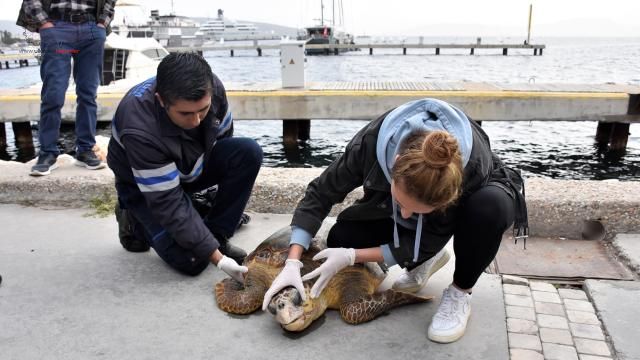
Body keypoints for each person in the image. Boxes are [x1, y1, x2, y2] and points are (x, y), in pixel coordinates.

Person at [262, 98, 527, 343]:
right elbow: (320, 192)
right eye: (402, 205)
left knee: (488, 210)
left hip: (477, 197)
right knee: (343, 238)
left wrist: (352, 258)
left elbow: (428, 237)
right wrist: (293, 261)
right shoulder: (369, 144)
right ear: (394, 163)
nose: (406, 216)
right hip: (412, 189)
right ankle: (427, 258)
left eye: (417, 211)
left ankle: (460, 292)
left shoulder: (472, 167)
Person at [107, 53, 263, 280]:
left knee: (248, 152)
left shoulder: (214, 89)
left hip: (186, 168)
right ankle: (132, 218)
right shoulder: (138, 126)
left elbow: (224, 140)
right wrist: (218, 260)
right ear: (161, 100)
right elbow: (167, 201)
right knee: (193, 261)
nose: (196, 121)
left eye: (203, 110)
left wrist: (212, 241)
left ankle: (216, 234)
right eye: (185, 113)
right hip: (146, 189)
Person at [17, 0, 116, 176]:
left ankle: (85, 150)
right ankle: (48, 153)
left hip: (92, 29)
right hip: (57, 28)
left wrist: (102, 23)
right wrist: (45, 24)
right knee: (53, 94)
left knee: (88, 94)